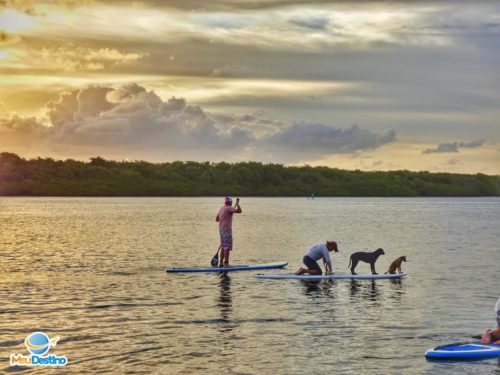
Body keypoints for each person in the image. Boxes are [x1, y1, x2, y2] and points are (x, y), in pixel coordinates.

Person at [215, 196, 242, 267]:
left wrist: (226, 217)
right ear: (230, 202)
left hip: (221, 230)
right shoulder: (229, 208)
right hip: (226, 230)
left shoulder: (222, 208)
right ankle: (226, 263)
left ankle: (221, 263)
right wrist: (237, 204)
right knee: (227, 247)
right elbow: (239, 210)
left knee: (223, 246)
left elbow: (217, 219)